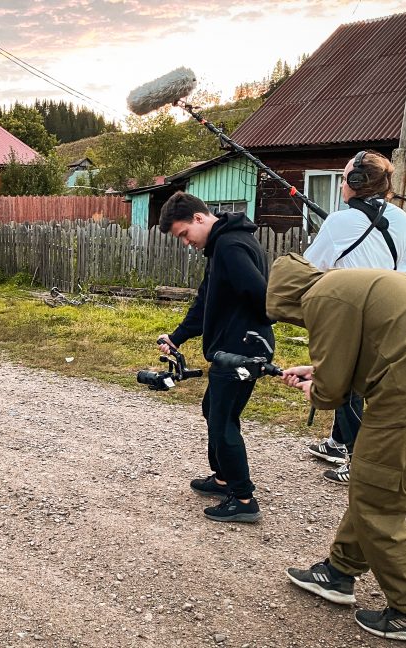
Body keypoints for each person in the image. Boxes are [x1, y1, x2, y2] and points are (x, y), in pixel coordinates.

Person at [267, 253, 406, 644]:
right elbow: (371, 347)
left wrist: (315, 388)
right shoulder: (353, 283)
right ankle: (339, 571)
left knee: (376, 501)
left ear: (284, 297)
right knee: (381, 490)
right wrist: (317, 371)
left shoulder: (320, 297)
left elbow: (334, 390)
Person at [302, 150, 406, 486]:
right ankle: (338, 442)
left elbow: (312, 265)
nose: (341, 183)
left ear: (355, 182)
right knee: (364, 383)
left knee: (345, 383)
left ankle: (358, 459)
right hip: (393, 311)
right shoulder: (401, 219)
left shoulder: (339, 221)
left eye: (344, 177)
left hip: (354, 313)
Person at [157, 191, 274, 524]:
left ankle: (243, 498)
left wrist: (244, 330)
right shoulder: (220, 247)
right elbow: (206, 301)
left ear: (198, 218)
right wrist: (176, 337)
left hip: (241, 351)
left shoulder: (230, 247)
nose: (185, 243)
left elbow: (262, 297)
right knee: (213, 409)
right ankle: (223, 479)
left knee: (223, 422)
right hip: (233, 349)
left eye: (184, 235)